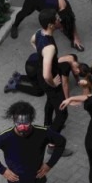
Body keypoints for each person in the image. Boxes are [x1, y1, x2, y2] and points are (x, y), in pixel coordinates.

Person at [31, 10, 73, 156]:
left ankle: (47, 125)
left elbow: (32, 41)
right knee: (62, 114)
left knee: (50, 101)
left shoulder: (38, 33)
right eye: (56, 19)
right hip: (49, 80)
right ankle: (51, 144)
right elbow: (46, 74)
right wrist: (54, 83)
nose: (58, 19)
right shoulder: (50, 47)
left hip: (42, 78)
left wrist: (39, 54)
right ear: (50, 24)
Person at [10, 0, 84, 52]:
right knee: (24, 12)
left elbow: (71, 20)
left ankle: (74, 41)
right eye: (59, 21)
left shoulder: (66, 6)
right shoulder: (50, 8)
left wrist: (76, 38)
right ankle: (14, 25)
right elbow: (46, 22)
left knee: (65, 24)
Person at [5, 53, 92, 99]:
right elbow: (65, 85)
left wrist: (77, 80)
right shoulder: (66, 67)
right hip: (32, 66)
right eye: (77, 75)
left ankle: (19, 76)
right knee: (39, 92)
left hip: (36, 57)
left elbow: (75, 71)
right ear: (77, 70)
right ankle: (14, 85)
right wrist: (68, 99)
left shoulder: (73, 58)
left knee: (37, 79)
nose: (77, 76)